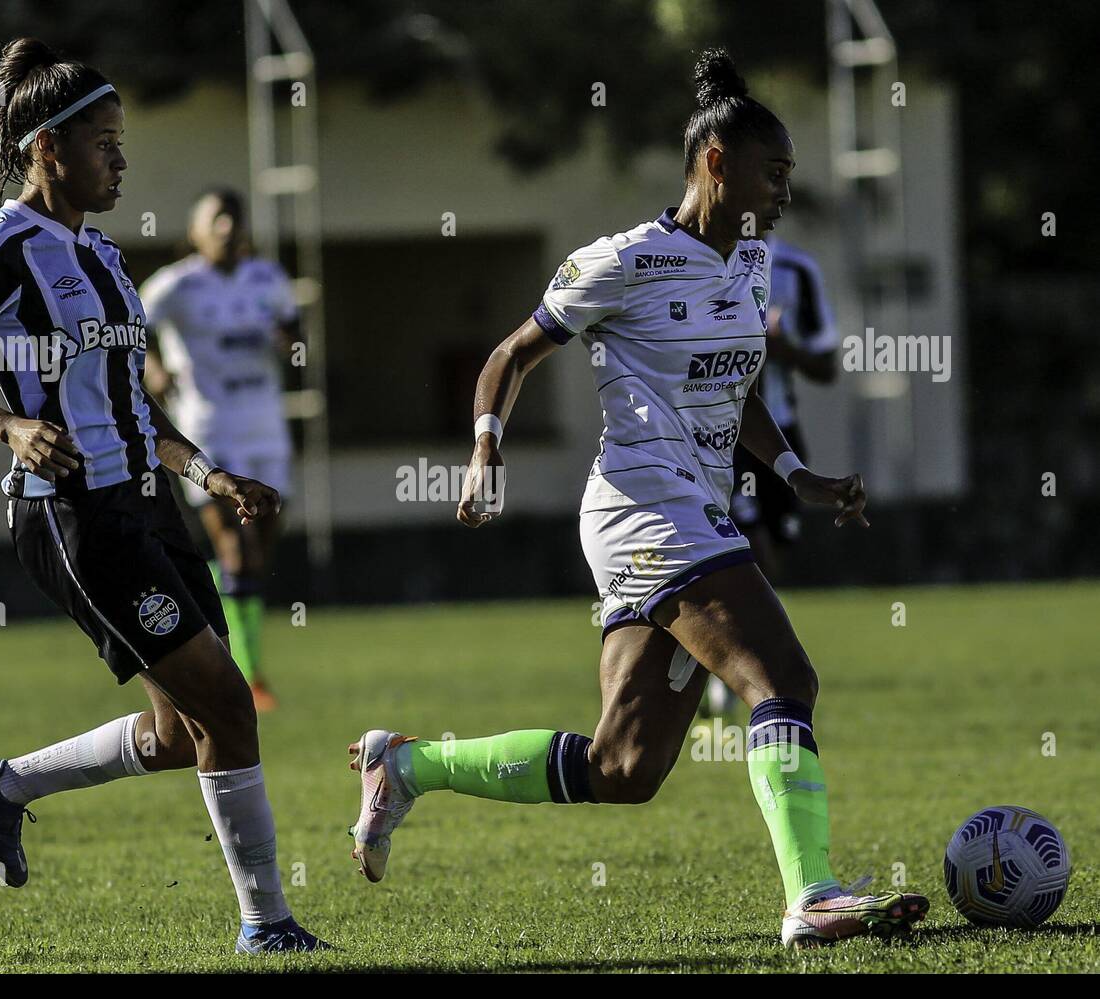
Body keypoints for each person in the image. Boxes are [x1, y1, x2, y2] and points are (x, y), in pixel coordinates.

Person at [345, 48, 927, 948]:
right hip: (643, 507)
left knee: (625, 765)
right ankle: (810, 894)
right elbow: (509, 356)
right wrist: (484, 448)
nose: (783, 191)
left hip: (690, 508)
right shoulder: (623, 261)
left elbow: (738, 390)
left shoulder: (754, 259)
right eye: (773, 173)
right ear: (717, 164)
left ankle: (409, 765)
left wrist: (796, 474)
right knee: (783, 677)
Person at [0, 37, 324, 953]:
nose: (121, 160)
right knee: (231, 704)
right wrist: (5, 426)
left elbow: (133, 404)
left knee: (180, 734)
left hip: (149, 503)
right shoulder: (2, 246)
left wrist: (210, 474)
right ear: (47, 148)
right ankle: (268, 926)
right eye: (104, 143)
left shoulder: (105, 257)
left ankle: (0, 785)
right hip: (73, 513)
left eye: (122, 143)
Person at [140, 188, 298, 712]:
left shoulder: (268, 279)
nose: (228, 227)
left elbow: (296, 341)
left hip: (265, 427)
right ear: (196, 231)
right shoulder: (176, 284)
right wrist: (152, 368)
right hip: (209, 428)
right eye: (217, 218)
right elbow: (126, 333)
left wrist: (289, 344)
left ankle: (214, 607)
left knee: (258, 553)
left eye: (235, 217)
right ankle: (247, 676)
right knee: (236, 549)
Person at [703, 234, 839, 718]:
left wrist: (783, 348)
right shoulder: (688, 257)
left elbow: (827, 364)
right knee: (744, 541)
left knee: (772, 555)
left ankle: (723, 653)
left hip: (778, 429)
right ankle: (730, 668)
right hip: (720, 435)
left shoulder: (796, 269)